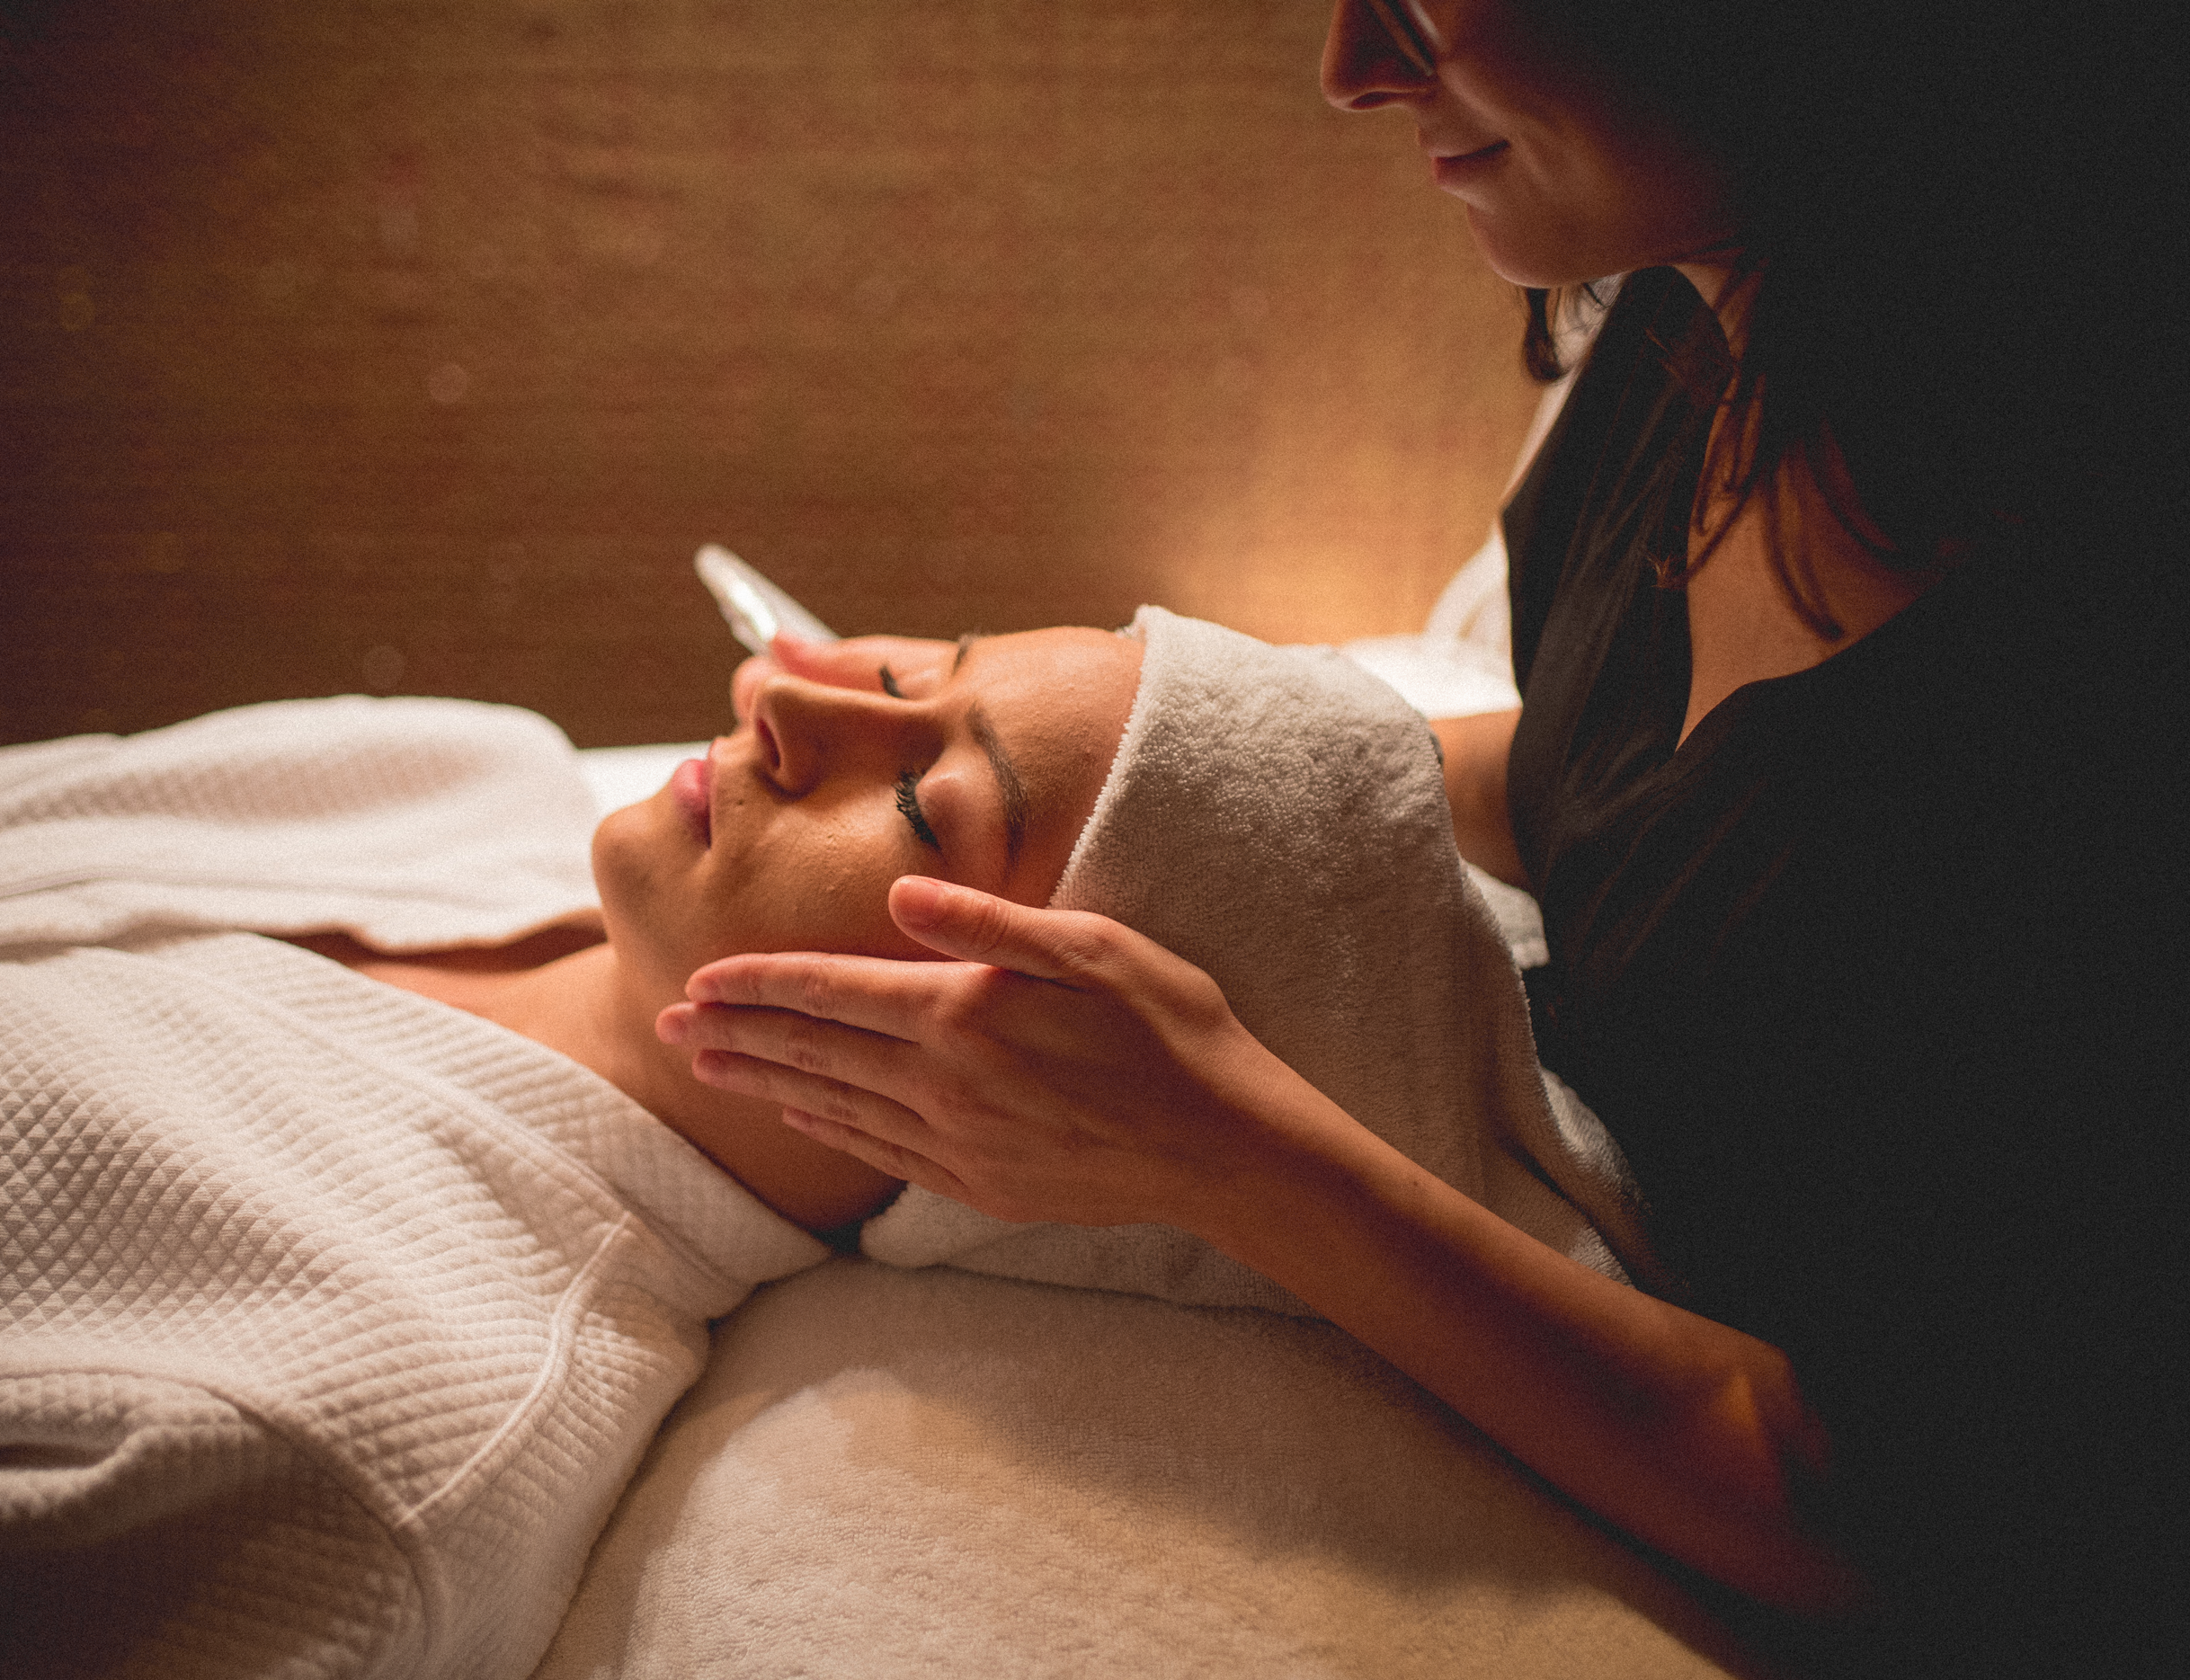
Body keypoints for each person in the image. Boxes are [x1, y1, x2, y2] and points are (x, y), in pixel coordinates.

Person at [656, 3, 2190, 1674]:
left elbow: (1932, 1524)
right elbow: (1632, 783)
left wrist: (1224, 1150)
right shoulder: (1706, 332)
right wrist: (1161, 758)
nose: (1351, 65)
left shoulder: (2087, 690)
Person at [0, 616, 1597, 1676]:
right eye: (918, 653)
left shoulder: (379, 1444)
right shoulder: (453, 768)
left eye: (929, 802)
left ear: (1022, 1087)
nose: (781, 687)